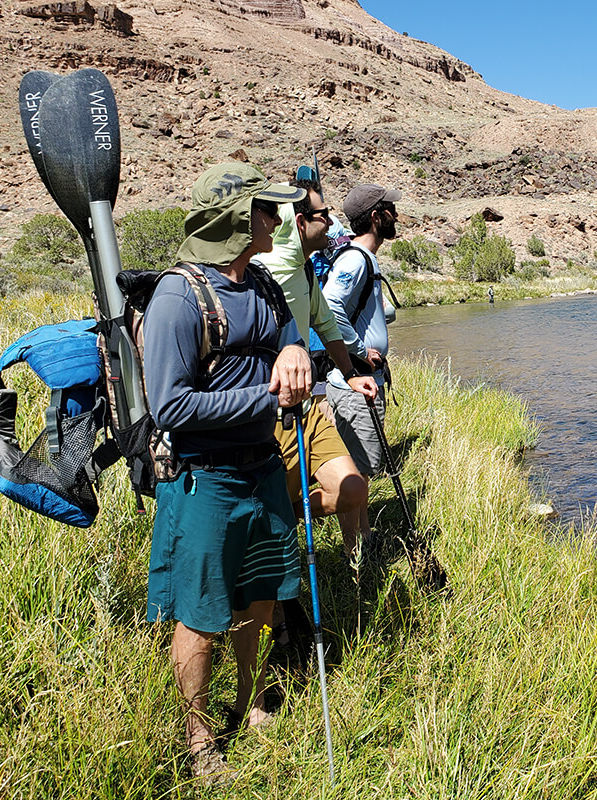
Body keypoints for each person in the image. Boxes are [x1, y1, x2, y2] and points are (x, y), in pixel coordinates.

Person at [142, 163, 313, 785]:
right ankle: (198, 738)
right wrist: (269, 401)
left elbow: (295, 342)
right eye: (269, 209)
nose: (280, 219)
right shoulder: (176, 297)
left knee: (260, 595)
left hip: (264, 470)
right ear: (239, 219)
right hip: (204, 479)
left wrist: (294, 349)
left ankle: (248, 706)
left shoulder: (265, 285)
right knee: (202, 611)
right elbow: (170, 405)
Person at [257, 171, 378, 557]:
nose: (332, 222)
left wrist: (351, 374)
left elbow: (326, 325)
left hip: (305, 408)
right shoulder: (265, 269)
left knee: (352, 488)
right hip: (267, 411)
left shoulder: (306, 269)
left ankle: (288, 513)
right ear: (300, 222)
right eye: (324, 214)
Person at [321, 183, 402, 536]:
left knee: (361, 468)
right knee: (358, 469)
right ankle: (358, 546)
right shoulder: (355, 258)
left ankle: (362, 539)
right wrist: (356, 349)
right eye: (390, 209)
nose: (396, 215)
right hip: (357, 387)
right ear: (375, 217)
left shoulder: (361, 257)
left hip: (361, 384)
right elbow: (329, 304)